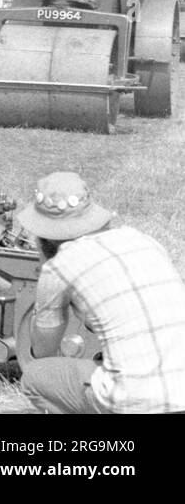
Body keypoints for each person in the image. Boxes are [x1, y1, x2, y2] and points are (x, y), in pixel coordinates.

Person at [17, 172, 185, 414]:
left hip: (136, 400)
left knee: (35, 378)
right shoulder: (142, 240)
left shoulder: (59, 267)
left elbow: (43, 352)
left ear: (43, 234)